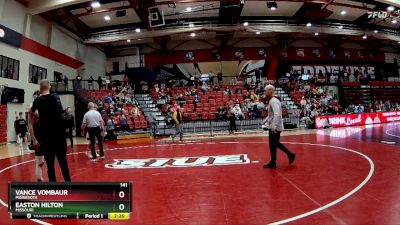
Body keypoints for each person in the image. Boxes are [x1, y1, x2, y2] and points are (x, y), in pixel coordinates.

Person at [30, 79, 71, 181]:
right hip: (59, 136)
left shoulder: (37, 100)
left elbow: (31, 111)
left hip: (46, 137)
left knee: (50, 165)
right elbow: (60, 113)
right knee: (63, 162)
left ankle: (53, 187)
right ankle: (69, 184)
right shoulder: (56, 97)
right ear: (50, 87)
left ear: (40, 88)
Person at [263, 85, 295, 169]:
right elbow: (274, 113)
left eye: (266, 91)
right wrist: (266, 119)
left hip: (275, 127)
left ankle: (289, 154)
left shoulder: (273, 101)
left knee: (274, 143)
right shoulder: (274, 100)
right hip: (275, 125)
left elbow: (277, 114)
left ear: (270, 91)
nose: (265, 93)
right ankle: (273, 161)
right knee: (273, 144)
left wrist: (273, 126)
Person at [28, 92, 45, 182]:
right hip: (38, 134)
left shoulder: (42, 105)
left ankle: (40, 177)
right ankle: (39, 178)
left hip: (44, 134)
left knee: (43, 160)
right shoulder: (32, 107)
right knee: (39, 161)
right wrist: (34, 139)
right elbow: (30, 125)